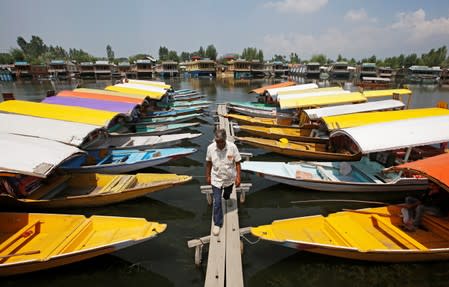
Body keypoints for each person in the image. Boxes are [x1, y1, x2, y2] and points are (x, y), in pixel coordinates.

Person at [206, 129, 241, 236]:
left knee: (227, 193)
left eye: (221, 141)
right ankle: (218, 223)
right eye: (217, 141)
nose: (219, 144)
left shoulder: (232, 147)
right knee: (217, 202)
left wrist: (238, 177)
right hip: (216, 178)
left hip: (229, 178)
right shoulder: (210, 148)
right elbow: (208, 162)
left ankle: (227, 197)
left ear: (225, 139)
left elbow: (238, 162)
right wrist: (207, 176)